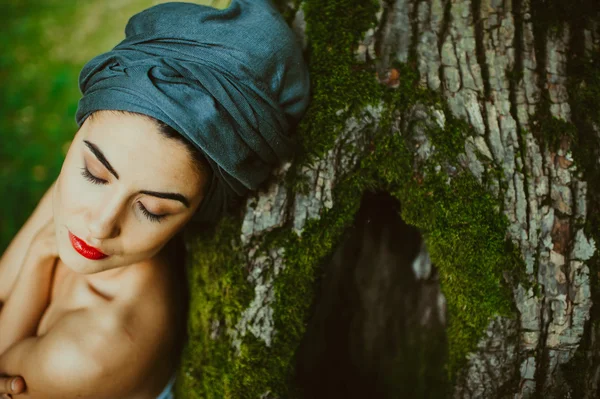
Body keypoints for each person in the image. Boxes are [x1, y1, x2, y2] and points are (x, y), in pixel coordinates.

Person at [0, 0, 310, 397]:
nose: (99, 224)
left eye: (152, 210)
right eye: (94, 173)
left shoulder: (91, 354)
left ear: (200, 209)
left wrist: (41, 251)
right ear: (80, 134)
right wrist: (43, 253)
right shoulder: (87, 190)